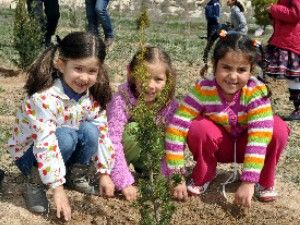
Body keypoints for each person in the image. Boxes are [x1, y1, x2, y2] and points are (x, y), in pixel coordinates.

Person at [164, 31, 290, 208]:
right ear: (215, 65)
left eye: (241, 70)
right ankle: (205, 173)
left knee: (278, 127)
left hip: (249, 147)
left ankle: (263, 179)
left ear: (251, 71)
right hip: (220, 147)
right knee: (197, 128)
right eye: (226, 67)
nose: (232, 76)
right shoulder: (203, 90)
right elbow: (176, 127)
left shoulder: (256, 91)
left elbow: (259, 138)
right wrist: (176, 176)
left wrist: (248, 181)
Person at [7, 32, 115, 221]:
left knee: (91, 130)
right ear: (61, 64)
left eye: (92, 71)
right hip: (30, 155)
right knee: (65, 136)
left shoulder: (90, 97)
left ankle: (74, 174)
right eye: (78, 68)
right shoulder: (44, 99)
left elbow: (103, 132)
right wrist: (57, 189)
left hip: (62, 149)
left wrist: (104, 172)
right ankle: (35, 181)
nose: (84, 77)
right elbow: (46, 142)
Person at [107, 46, 178, 201]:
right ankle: (118, 172)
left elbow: (175, 144)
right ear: (132, 74)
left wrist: (170, 176)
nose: (150, 85)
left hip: (151, 159)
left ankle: (152, 173)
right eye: (144, 77)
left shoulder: (170, 106)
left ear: (168, 80)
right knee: (134, 130)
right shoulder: (121, 100)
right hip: (122, 156)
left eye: (158, 79)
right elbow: (112, 140)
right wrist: (123, 181)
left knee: (168, 135)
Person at [265, 0, 300, 120]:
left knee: (294, 76)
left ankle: (299, 109)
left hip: (291, 40)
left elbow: (296, 14)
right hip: (287, 39)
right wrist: (272, 11)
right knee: (293, 75)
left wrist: (274, 9)